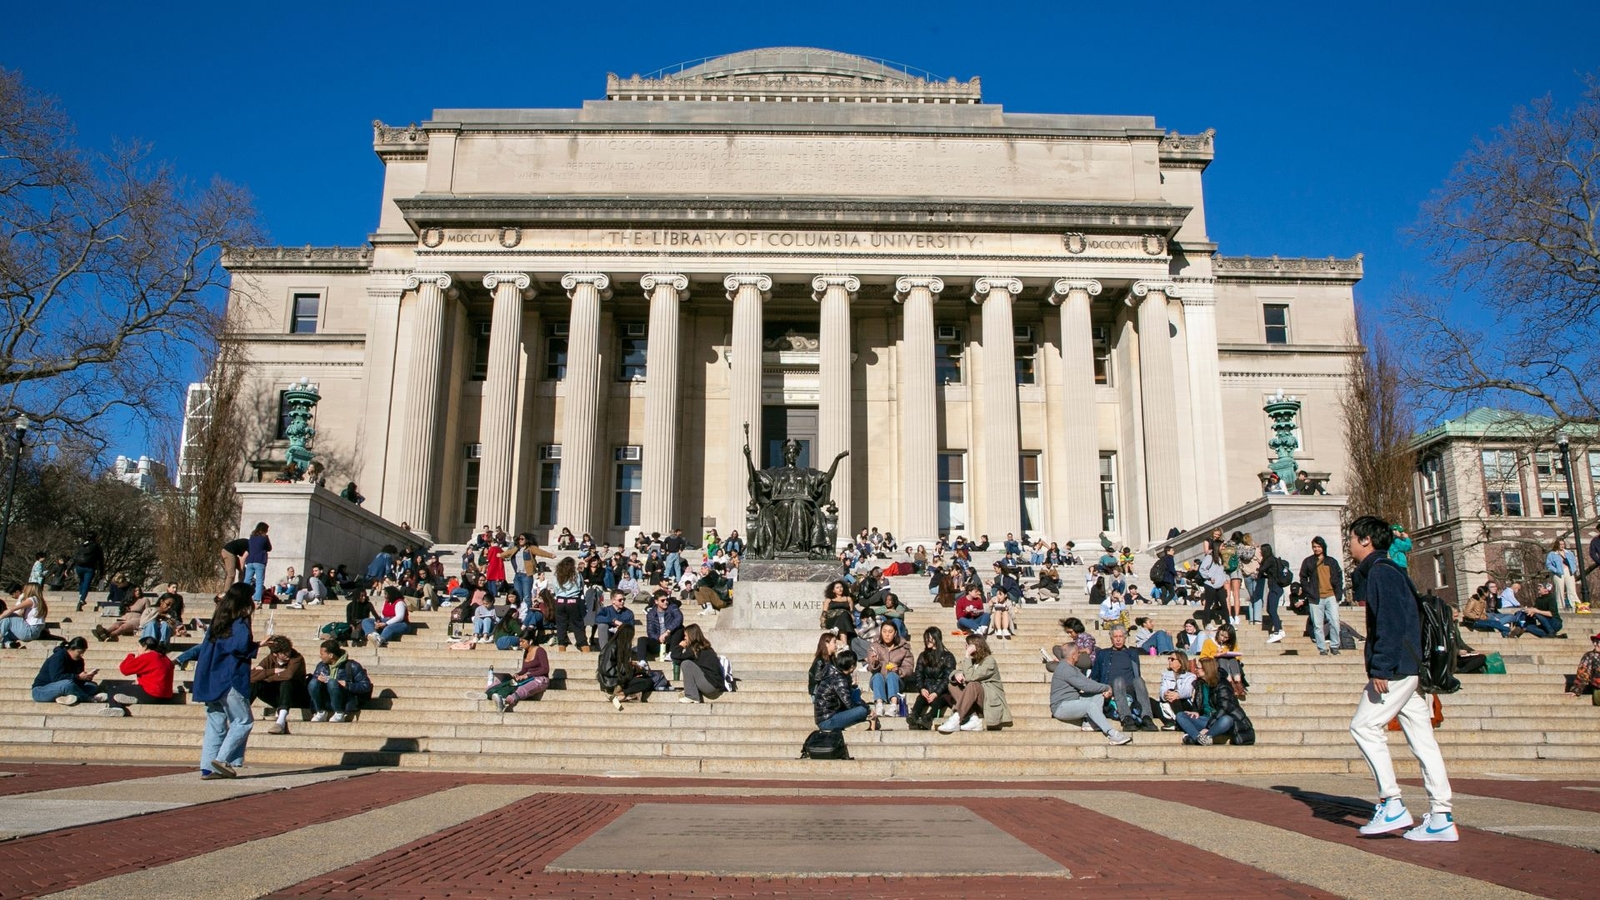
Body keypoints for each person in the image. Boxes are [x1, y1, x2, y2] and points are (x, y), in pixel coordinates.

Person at [1344, 514, 1457, 842]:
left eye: (1352, 538)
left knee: (1363, 726)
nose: (1350, 544)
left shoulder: (1380, 571)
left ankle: (1391, 801)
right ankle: (1441, 814)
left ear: (1366, 540)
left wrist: (1381, 667)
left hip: (1397, 668)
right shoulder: (1393, 569)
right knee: (1423, 740)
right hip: (1410, 666)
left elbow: (1391, 622)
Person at [193, 584, 259, 779]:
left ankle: (208, 766)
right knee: (243, 720)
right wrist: (256, 646)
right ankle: (222, 760)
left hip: (212, 677)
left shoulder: (218, 620)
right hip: (229, 677)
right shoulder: (240, 620)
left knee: (216, 721)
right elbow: (239, 646)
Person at [1049, 644, 1133, 744]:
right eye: (1078, 653)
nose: (1079, 655)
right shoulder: (1065, 669)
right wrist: (1106, 687)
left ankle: (1089, 723)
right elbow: (1085, 686)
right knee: (1090, 705)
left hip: (1073, 701)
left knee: (1099, 695)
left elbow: (1088, 681)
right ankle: (1112, 733)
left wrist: (1105, 688)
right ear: (1073, 655)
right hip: (1061, 707)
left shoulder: (1072, 668)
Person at [1091, 625, 1159, 732]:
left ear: (1125, 637)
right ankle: (1126, 718)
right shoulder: (1102, 654)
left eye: (1121, 636)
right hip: (1112, 690)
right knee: (1119, 680)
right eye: (1115, 637)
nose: (1118, 639)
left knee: (1139, 680)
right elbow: (1095, 677)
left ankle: (1147, 718)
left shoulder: (1132, 653)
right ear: (1111, 638)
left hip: (1130, 691)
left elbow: (1137, 674)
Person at [938, 634, 1011, 732]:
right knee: (952, 685)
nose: (965, 648)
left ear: (975, 646)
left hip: (988, 702)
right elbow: (957, 672)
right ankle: (973, 717)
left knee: (973, 685)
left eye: (968, 645)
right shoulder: (972, 661)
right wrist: (957, 674)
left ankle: (956, 718)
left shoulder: (989, 661)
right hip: (975, 701)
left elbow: (971, 677)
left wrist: (967, 656)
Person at [1175, 657, 1242, 746]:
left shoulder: (1222, 685)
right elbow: (1197, 702)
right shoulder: (1199, 683)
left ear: (1206, 669)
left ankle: (1201, 737)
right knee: (1181, 715)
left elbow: (1224, 709)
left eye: (1198, 668)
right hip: (1205, 719)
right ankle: (1199, 738)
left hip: (1218, 720)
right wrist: (1195, 711)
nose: (1195, 670)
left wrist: (1208, 727)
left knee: (1227, 720)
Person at [251, 635, 308, 735]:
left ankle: (280, 722)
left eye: (288, 650)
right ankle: (242, 712)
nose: (288, 654)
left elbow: (288, 675)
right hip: (277, 695)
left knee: (287, 683)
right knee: (256, 683)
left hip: (295, 696)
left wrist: (266, 676)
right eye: (284, 653)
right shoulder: (269, 659)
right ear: (275, 654)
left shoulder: (296, 658)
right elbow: (251, 676)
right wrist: (273, 671)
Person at [1298, 536, 1344, 656]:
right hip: (1315, 597)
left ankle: (1334, 646)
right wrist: (1308, 590)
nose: (1316, 549)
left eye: (1318, 546)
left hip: (1331, 595)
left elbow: (1339, 577)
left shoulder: (1331, 561)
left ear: (1323, 547)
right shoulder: (1308, 561)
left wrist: (1338, 592)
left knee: (1334, 621)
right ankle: (1322, 648)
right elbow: (1303, 577)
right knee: (1317, 625)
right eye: (1314, 547)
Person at [488, 628, 551, 713]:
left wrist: (527, 675)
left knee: (523, 688)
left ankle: (505, 701)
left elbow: (545, 669)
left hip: (540, 679)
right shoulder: (526, 652)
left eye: (523, 642)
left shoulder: (540, 651)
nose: (520, 644)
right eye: (520, 642)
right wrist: (517, 674)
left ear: (531, 641)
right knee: (501, 680)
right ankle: (488, 692)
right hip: (528, 678)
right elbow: (524, 670)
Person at [812, 649, 876, 732]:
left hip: (829, 716)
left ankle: (850, 724)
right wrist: (868, 710)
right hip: (828, 720)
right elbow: (849, 704)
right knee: (862, 711)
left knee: (855, 692)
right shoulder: (839, 679)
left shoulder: (834, 673)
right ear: (852, 666)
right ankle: (851, 724)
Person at [308, 639, 372, 721]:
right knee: (313, 682)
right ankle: (320, 712)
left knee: (332, 682)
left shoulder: (352, 665)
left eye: (322, 654)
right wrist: (318, 679)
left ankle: (339, 713)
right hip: (326, 700)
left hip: (344, 700)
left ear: (331, 655)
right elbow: (313, 687)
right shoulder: (321, 666)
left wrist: (347, 684)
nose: (320, 656)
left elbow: (366, 686)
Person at [907, 627, 957, 730]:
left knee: (939, 701)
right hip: (927, 688)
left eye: (930, 638)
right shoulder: (923, 656)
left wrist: (936, 693)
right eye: (926, 638)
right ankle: (914, 715)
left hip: (943, 691)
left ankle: (928, 718)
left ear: (937, 638)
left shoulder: (948, 656)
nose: (927, 641)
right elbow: (919, 674)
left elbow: (947, 677)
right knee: (920, 698)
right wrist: (922, 688)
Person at [598, 621, 655, 710]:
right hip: (612, 681)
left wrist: (631, 666)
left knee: (646, 678)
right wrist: (629, 668)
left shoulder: (619, 646)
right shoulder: (613, 647)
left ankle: (624, 695)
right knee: (648, 682)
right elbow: (607, 669)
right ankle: (622, 694)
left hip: (618, 678)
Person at [32, 636, 101, 705]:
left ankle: (65, 697)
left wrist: (86, 678)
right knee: (67, 684)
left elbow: (77, 682)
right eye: (79, 652)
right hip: (41, 691)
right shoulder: (58, 657)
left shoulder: (80, 661)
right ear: (71, 649)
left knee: (92, 686)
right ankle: (89, 698)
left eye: (83, 652)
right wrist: (78, 677)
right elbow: (56, 678)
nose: (81, 655)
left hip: (64, 687)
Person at [865, 621, 914, 717]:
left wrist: (898, 670)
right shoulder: (874, 646)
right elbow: (870, 668)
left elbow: (909, 668)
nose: (887, 635)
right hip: (878, 681)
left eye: (890, 632)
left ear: (895, 633)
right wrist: (874, 662)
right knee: (877, 676)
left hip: (896, 682)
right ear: (881, 632)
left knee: (892, 675)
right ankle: (879, 705)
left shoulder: (903, 648)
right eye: (884, 631)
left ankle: (894, 706)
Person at [112, 637, 176, 706]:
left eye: (138, 646)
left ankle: (116, 708)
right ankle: (133, 699)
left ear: (145, 647)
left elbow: (124, 669)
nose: (137, 649)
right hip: (166, 697)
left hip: (151, 695)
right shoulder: (166, 659)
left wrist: (130, 656)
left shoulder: (150, 656)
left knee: (113, 691)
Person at [672, 623, 726, 703]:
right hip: (716, 686)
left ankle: (691, 696)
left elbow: (676, 657)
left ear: (691, 636)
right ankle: (693, 692)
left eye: (685, 636)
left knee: (686, 664)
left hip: (710, 686)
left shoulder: (695, 649)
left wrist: (680, 646)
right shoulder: (705, 647)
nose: (684, 638)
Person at [551, 556, 587, 651]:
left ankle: (562, 649)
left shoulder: (556, 575)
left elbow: (555, 589)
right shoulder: (576, 575)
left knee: (561, 626)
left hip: (560, 601)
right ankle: (584, 647)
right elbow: (581, 588)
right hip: (573, 601)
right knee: (578, 626)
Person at [1, 583, 48, 648]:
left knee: (7, 618)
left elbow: (11, 610)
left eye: (25, 589)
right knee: (6, 634)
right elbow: (19, 614)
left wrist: (1, 617)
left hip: (30, 631)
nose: (23, 590)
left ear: (30, 590)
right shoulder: (39, 601)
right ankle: (9, 644)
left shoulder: (32, 599)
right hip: (35, 632)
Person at [1259, 543, 1289, 643]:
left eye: (1261, 550)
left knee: (1272, 610)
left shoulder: (1270, 560)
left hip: (1276, 588)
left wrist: (1257, 573)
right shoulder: (1272, 560)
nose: (1260, 552)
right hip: (1274, 587)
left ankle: (1278, 631)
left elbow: (1262, 570)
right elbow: (1269, 574)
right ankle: (1279, 629)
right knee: (1269, 609)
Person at [72, 531, 105, 612]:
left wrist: (69, 568)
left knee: (82, 582)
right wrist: (102, 571)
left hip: (79, 566)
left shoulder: (82, 545)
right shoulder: (97, 547)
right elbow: (101, 560)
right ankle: (81, 600)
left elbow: (75, 556)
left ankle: (81, 595)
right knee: (86, 584)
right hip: (89, 568)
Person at [1547, 539, 1580, 613]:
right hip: (1558, 573)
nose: (1562, 546)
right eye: (1560, 544)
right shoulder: (1552, 554)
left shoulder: (1569, 553)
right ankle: (1560, 606)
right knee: (1559, 590)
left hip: (1569, 572)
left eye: (1563, 544)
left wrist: (1573, 569)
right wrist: (1556, 570)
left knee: (1571, 589)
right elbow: (1548, 565)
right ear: (1557, 545)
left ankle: (1575, 605)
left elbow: (1574, 562)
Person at [242, 522, 272, 605]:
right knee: (259, 581)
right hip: (260, 561)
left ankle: (243, 597)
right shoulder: (264, 537)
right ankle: (257, 599)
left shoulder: (252, 537)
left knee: (247, 580)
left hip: (250, 560)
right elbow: (269, 548)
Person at [1565, 631, 1600, 697]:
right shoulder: (1590, 656)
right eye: (1594, 641)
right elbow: (1583, 674)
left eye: (1598, 642)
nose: (1595, 644)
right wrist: (1576, 690)